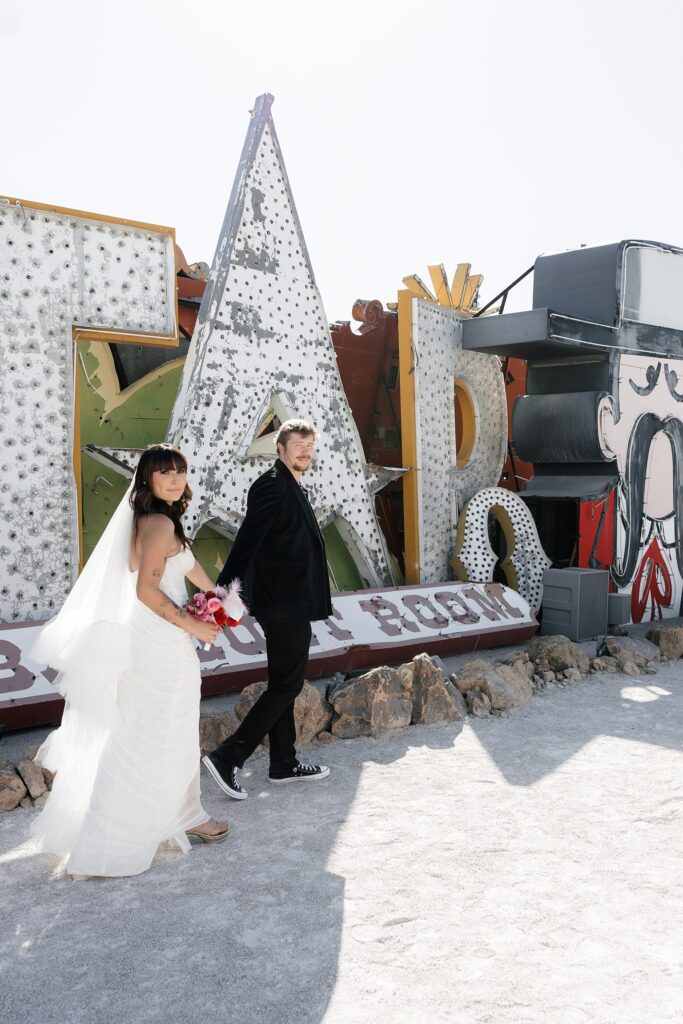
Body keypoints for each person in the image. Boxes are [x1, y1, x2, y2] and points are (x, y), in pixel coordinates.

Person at [30, 444, 228, 879]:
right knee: (152, 734)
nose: (175, 480)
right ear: (148, 480)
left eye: (180, 472)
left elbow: (189, 571)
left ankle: (183, 814)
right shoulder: (158, 524)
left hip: (157, 637)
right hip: (159, 640)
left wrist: (220, 601)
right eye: (165, 474)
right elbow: (147, 592)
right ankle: (135, 833)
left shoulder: (160, 520)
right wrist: (194, 626)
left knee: (159, 731)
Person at [202, 419, 332, 798]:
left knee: (283, 684)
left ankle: (283, 762)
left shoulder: (289, 485)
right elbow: (247, 542)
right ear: (280, 448)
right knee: (288, 684)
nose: (305, 451)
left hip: (290, 600)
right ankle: (229, 756)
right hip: (283, 602)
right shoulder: (271, 487)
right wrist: (220, 594)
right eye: (298, 445)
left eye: (309, 445)